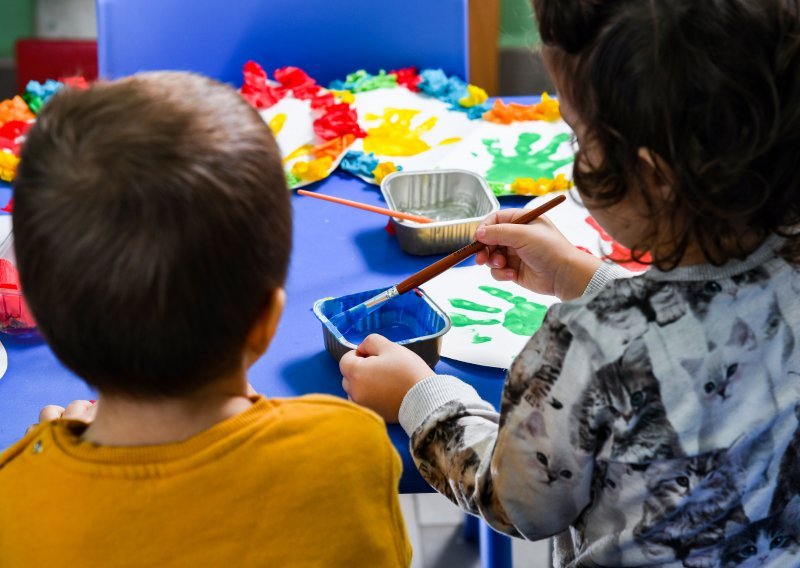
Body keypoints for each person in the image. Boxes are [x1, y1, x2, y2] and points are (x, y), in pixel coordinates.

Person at [339, 0, 800, 565]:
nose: (575, 159)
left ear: (652, 178)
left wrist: (419, 396)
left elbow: (516, 502)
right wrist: (588, 278)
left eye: (581, 140)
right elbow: (713, 329)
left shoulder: (589, 344)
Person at [0, 71, 411, 567]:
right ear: (266, 321)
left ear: (47, 322)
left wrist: (40, 468)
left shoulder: (14, 496)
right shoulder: (350, 450)